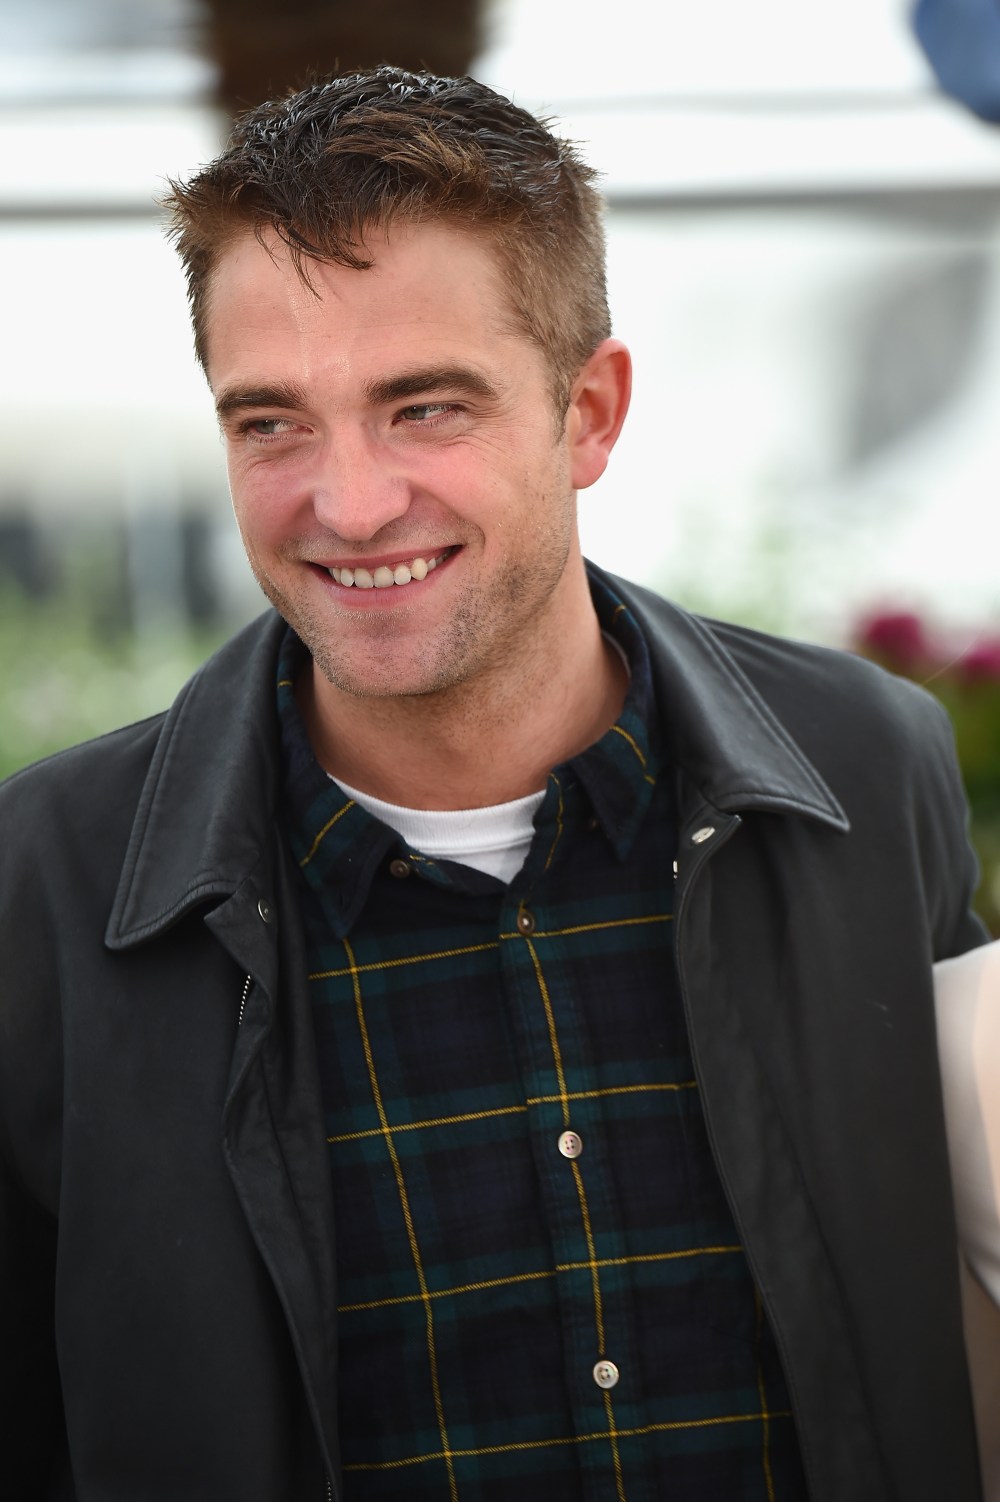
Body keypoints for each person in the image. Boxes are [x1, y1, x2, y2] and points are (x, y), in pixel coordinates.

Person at [0, 66, 987, 1502]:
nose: (348, 504)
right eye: (271, 422)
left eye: (424, 408)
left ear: (590, 412)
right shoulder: (44, 887)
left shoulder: (867, 770)